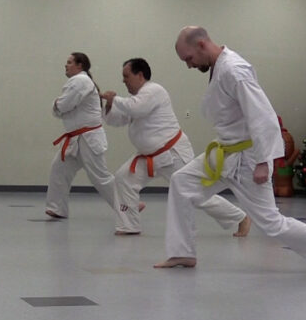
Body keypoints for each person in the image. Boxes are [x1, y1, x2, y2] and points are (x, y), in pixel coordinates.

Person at [156, 26, 306, 273]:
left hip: (248, 158)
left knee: (271, 222)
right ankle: (182, 252)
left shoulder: (234, 70)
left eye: (188, 58)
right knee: (181, 182)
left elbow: (263, 116)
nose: (189, 65)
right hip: (225, 152)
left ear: (201, 45)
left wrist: (264, 161)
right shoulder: (219, 67)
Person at [101, 57, 251, 236]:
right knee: (124, 178)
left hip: (172, 154)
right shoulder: (136, 99)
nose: (123, 81)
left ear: (139, 75)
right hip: (148, 156)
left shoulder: (154, 91)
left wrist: (115, 99)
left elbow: (136, 108)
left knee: (195, 193)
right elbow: (117, 120)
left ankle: (240, 217)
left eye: (126, 76)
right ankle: (129, 225)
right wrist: (109, 105)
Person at [45, 52, 115, 219]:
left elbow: (63, 106)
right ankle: (57, 208)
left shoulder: (80, 81)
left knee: (100, 177)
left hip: (88, 138)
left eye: (69, 62)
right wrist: (59, 106)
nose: (66, 65)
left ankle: (129, 205)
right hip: (76, 139)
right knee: (59, 170)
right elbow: (64, 108)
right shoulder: (81, 81)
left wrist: (56, 103)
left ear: (80, 65)